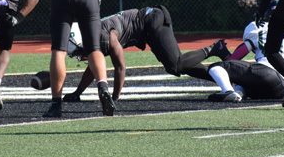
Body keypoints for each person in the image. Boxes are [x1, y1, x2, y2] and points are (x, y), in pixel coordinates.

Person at [58, 7, 231, 101]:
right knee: (177, 67)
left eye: (80, 51)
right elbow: (94, 67)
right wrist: (78, 92)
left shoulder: (104, 36)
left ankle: (214, 48)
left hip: (151, 20)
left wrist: (115, 98)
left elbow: (120, 67)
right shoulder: (93, 34)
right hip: (147, 26)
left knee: (176, 65)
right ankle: (225, 77)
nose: (81, 56)